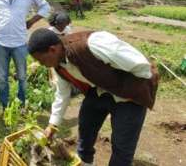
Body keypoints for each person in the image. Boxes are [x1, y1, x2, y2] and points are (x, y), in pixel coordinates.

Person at [28, 28, 159, 166]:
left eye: (42, 61)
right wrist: (52, 125)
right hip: (100, 91)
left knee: (122, 146)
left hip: (131, 96)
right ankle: (85, 162)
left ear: (52, 50)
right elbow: (62, 94)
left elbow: (140, 65)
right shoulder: (59, 66)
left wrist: (131, 87)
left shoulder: (93, 44)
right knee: (86, 128)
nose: (42, 65)